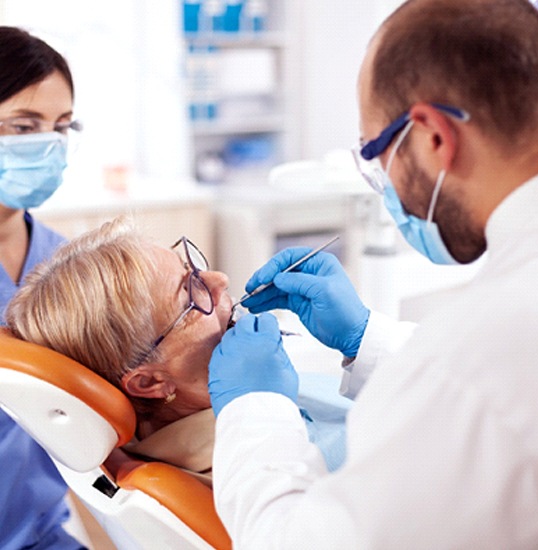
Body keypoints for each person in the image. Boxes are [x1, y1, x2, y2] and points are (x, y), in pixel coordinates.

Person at [206, 0, 538, 547]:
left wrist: (254, 411)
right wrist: (366, 337)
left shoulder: (472, 355)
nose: (216, 283)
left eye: (374, 156)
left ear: (434, 137)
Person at [6, 217, 349, 486]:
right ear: (149, 382)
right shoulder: (257, 467)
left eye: (194, 270)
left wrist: (362, 340)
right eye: (189, 295)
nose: (220, 279)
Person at [0, 26, 84, 549]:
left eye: (62, 127)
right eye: (25, 126)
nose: (49, 144)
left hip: (40, 534)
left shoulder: (62, 262)